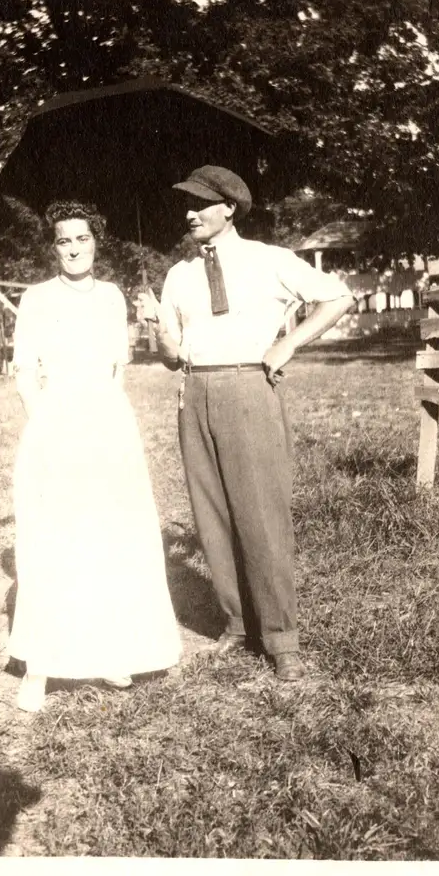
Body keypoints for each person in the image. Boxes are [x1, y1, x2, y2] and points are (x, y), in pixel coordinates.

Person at [141, 165, 355, 682]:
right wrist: (157, 328)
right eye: (185, 203)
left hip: (249, 387)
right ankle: (237, 623)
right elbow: (172, 357)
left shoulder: (269, 259)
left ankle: (281, 638)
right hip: (195, 392)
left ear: (229, 207)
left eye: (200, 203)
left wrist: (286, 345)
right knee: (210, 513)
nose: (188, 212)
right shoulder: (178, 275)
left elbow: (339, 296)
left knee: (261, 510)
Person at [8, 200, 182, 713]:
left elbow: (116, 372)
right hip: (56, 421)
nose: (73, 248)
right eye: (64, 240)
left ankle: (113, 650)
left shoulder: (112, 297)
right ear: (54, 247)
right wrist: (46, 425)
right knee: (55, 535)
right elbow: (24, 375)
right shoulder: (36, 299)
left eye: (82, 239)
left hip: (108, 423)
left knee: (113, 531)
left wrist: (152, 317)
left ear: (96, 242)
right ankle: (40, 667)